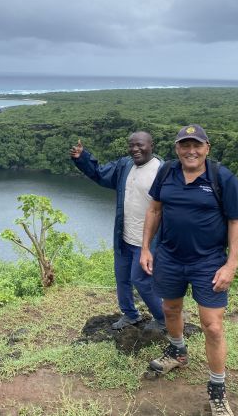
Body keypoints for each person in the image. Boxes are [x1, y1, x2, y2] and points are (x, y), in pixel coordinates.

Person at [140, 124, 238, 416]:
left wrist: (231, 264)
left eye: (196, 145)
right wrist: (146, 248)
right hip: (170, 257)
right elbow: (155, 210)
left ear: (207, 147)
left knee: (212, 325)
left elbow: (236, 222)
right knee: (170, 309)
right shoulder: (167, 172)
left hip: (208, 262)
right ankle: (177, 351)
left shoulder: (222, 178)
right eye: (184, 146)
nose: (191, 151)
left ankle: (217, 389)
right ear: (177, 149)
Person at [70, 131, 165, 331]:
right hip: (124, 236)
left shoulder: (162, 170)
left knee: (141, 280)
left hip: (148, 242)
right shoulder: (125, 165)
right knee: (122, 278)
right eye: (131, 145)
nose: (135, 149)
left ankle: (163, 319)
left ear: (152, 145)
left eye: (140, 145)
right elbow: (101, 174)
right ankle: (130, 314)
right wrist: (83, 158)